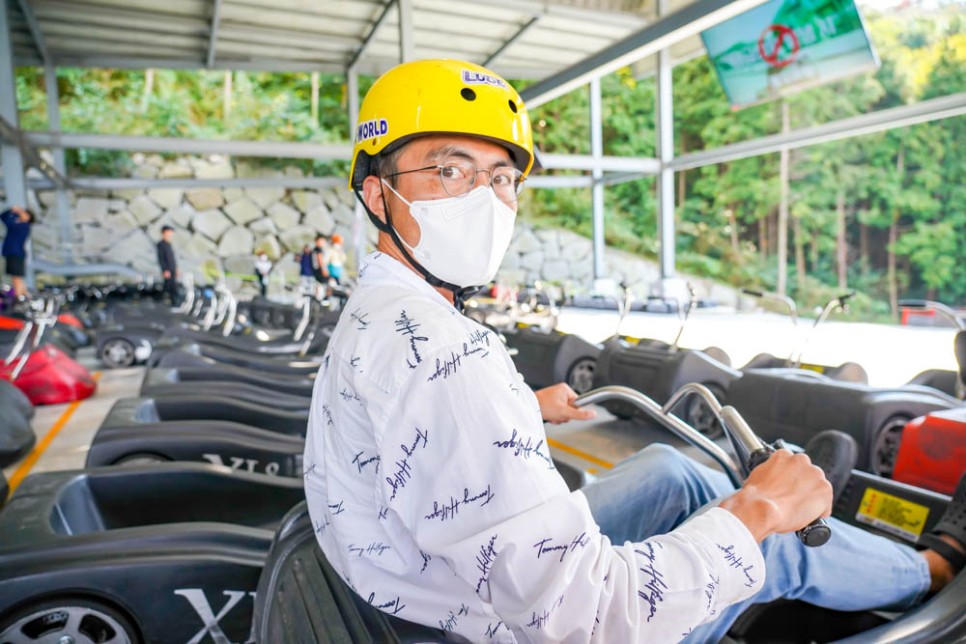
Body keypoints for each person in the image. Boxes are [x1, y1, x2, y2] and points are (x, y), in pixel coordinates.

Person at [302, 59, 964, 643]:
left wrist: (511, 409)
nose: (485, 198)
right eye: (450, 169)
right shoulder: (445, 352)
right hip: (487, 621)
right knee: (778, 545)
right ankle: (931, 572)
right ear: (375, 191)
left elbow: (414, 430)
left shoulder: (385, 310)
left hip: (413, 581)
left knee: (675, 475)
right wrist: (760, 509)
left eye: (501, 177)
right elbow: (589, 620)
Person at [1, 206, 35, 299]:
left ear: (28, 217)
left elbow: (7, 221)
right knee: (18, 277)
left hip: (15, 253)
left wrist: (16, 211)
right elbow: (3, 217)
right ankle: (24, 295)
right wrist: (12, 210)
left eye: (24, 213)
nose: (21, 214)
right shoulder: (21, 225)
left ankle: (19, 297)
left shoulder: (23, 226)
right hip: (15, 253)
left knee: (15, 277)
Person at [156, 224, 180, 305]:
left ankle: (161, 299)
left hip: (172, 268)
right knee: (171, 287)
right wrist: (164, 270)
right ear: (164, 232)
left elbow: (172, 259)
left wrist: (176, 268)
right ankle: (175, 302)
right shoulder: (161, 245)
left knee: (169, 286)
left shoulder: (169, 244)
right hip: (167, 270)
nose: (171, 235)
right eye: (169, 233)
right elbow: (161, 259)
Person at [310, 234, 330, 299]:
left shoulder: (314, 250)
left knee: (318, 286)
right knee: (325, 286)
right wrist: (324, 270)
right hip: (320, 271)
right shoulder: (318, 250)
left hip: (315, 271)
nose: (323, 242)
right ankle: (323, 300)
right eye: (321, 241)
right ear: (317, 241)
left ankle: (318, 299)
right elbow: (320, 260)